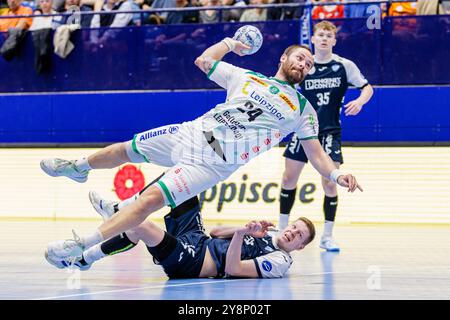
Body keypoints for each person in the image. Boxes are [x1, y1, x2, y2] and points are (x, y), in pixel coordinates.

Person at [42, 30, 362, 263]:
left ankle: (81, 245)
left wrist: (336, 176)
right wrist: (230, 44)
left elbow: (317, 155)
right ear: (284, 58)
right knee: (127, 149)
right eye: (299, 58)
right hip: (193, 133)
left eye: (308, 64)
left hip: (212, 163)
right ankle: (78, 167)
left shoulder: (303, 110)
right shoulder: (246, 77)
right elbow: (204, 60)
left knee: (148, 201)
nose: (304, 65)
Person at [46, 187, 316, 278]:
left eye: (299, 235)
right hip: (199, 241)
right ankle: (119, 207)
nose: (293, 233)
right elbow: (215, 231)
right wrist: (243, 229)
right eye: (295, 227)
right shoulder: (268, 232)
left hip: (195, 263)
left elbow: (233, 269)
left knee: (140, 226)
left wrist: (240, 236)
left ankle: (85, 257)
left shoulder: (279, 261)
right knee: (183, 188)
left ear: (300, 247)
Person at [279, 20, 373, 251]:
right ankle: (281, 228)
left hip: (330, 131)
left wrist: (359, 102)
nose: (323, 39)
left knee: (330, 184)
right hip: (303, 130)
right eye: (320, 35)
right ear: (312, 39)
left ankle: (327, 236)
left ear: (333, 41)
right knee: (288, 179)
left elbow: (367, 88)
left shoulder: (344, 65)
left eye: (328, 36)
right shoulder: (304, 66)